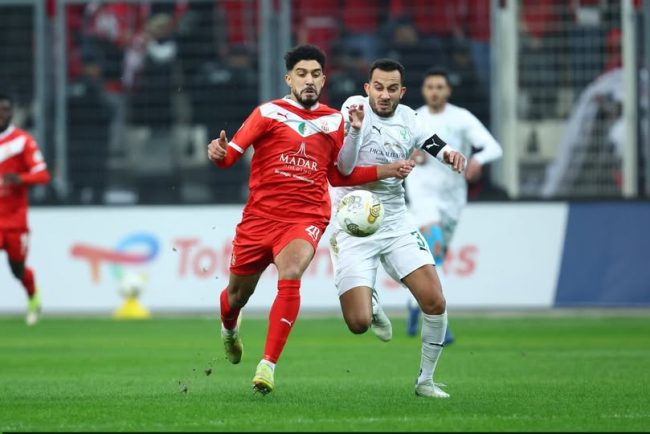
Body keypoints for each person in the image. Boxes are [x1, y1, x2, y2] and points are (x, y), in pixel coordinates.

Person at [206, 45, 415, 395]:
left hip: (306, 216)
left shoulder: (335, 121)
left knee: (291, 273)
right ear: (289, 79)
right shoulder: (267, 113)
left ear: (323, 80)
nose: (309, 81)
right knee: (236, 296)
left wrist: (387, 169)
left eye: (315, 75)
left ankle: (267, 365)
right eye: (301, 74)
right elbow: (229, 158)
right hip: (260, 218)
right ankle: (229, 328)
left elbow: (339, 175)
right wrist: (218, 152)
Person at [330, 59, 466, 398]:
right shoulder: (354, 108)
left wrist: (450, 153)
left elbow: (432, 142)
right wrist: (356, 131)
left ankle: (426, 381)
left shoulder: (409, 118)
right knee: (358, 323)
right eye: (378, 87)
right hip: (354, 223)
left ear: (402, 92)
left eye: (392, 89)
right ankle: (372, 302)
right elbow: (343, 169)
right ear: (368, 88)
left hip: (394, 221)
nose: (385, 95)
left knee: (435, 300)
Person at [404, 67, 503, 339]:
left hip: (453, 199)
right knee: (434, 249)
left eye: (439, 87)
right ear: (424, 91)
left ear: (448, 90)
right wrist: (412, 155)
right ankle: (439, 321)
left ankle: (414, 303)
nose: (435, 92)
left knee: (433, 259)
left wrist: (477, 160)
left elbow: (494, 147)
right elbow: (396, 151)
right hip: (423, 195)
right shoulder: (414, 119)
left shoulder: (461, 118)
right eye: (430, 87)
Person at [0, 93, 51, 325]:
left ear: (11, 112)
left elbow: (43, 175)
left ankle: (33, 297)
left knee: (17, 269)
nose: (1, 114)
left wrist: (20, 178)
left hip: (15, 219)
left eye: (5, 109)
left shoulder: (22, 141)